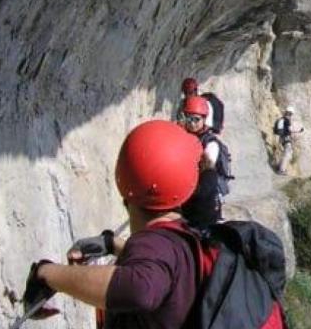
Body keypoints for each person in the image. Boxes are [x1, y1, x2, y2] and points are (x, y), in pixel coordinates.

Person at [21, 120, 203, 327]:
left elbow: (141, 290)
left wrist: (47, 274)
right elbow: (166, 269)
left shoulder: (155, 245)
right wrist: (112, 244)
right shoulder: (185, 238)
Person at [179, 95, 227, 230]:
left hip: (204, 194)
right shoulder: (186, 136)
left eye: (196, 119)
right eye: (189, 118)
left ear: (205, 120)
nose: (192, 123)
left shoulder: (211, 144)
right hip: (190, 189)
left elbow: (207, 171)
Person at [273, 106, 304, 175]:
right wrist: (299, 131)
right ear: (290, 113)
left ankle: (279, 166)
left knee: (285, 153)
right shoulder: (287, 120)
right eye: (291, 114)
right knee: (288, 154)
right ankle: (281, 170)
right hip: (286, 138)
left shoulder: (281, 119)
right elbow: (290, 130)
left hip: (281, 138)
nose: (291, 115)